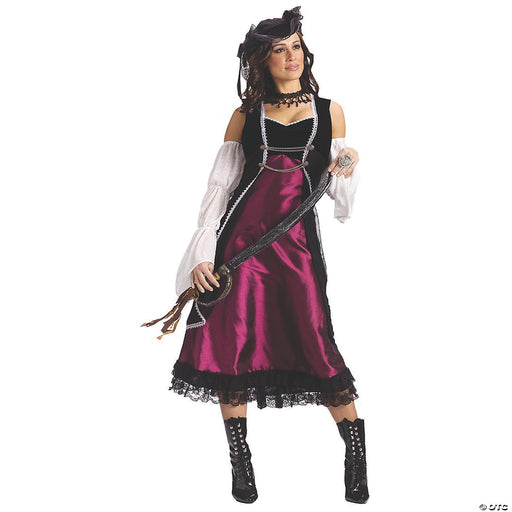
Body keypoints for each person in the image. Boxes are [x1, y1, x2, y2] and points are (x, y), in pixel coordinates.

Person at [169, 6, 369, 505]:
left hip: (296, 248)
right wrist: (203, 253)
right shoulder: (244, 116)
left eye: (296, 47)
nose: (291, 57)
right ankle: (240, 461)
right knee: (230, 345)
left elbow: (340, 201)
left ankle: (355, 455)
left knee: (315, 339)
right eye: (280, 50)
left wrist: (347, 164)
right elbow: (219, 190)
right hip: (239, 249)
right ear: (262, 60)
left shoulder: (330, 112)